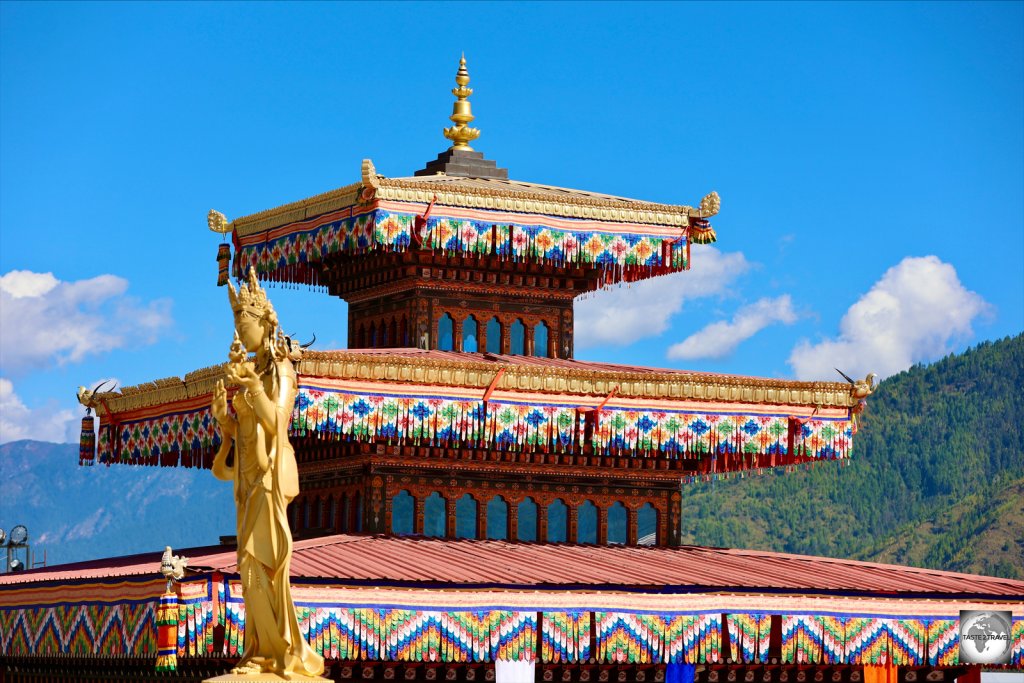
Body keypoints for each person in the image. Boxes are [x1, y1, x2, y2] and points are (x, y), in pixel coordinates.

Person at [210, 267, 324, 679]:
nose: (241, 332)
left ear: (264, 324)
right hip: (248, 484)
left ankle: (282, 652)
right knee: (247, 565)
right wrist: (225, 424)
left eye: (246, 323)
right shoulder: (246, 376)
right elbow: (224, 468)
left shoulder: (282, 372)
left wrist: (253, 390)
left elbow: (278, 422)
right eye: (237, 323)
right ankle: (261, 649)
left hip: (272, 479)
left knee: (264, 564)